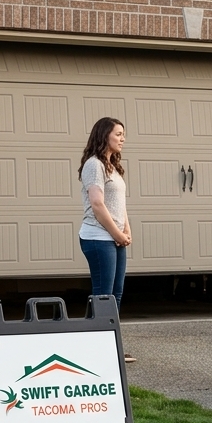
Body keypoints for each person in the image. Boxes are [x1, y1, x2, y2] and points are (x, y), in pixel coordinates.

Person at [78, 117, 135, 361]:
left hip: (114, 237)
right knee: (104, 296)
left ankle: (108, 344)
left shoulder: (113, 166)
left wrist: (126, 230)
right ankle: (98, 349)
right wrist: (116, 233)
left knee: (116, 294)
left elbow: (119, 205)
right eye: (118, 134)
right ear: (104, 136)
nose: (123, 138)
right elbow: (98, 204)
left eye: (123, 134)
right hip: (97, 237)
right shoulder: (94, 165)